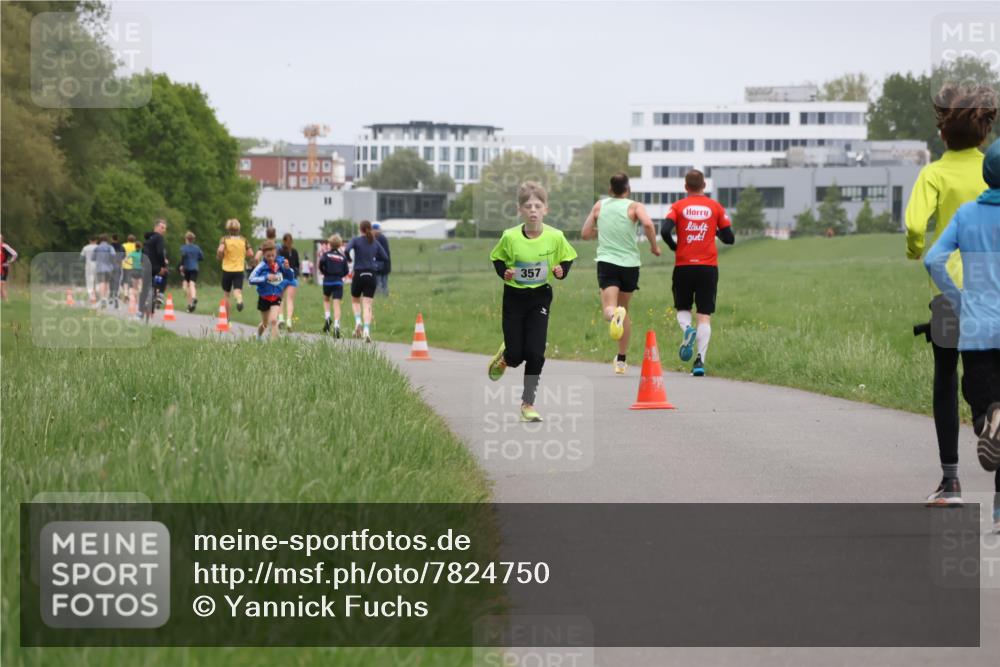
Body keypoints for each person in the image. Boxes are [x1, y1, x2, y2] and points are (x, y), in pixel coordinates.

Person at [905, 84, 998, 507]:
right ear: (984, 135)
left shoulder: (934, 174)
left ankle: (951, 482)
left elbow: (913, 226)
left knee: (945, 378)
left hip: (948, 296)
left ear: (943, 135)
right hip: (989, 294)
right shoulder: (990, 171)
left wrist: (914, 250)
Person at [925, 136, 1000, 533]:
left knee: (983, 404)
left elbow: (933, 258)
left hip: (977, 328)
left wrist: (957, 298)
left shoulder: (968, 215)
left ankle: (991, 415)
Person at [487, 181, 577, 422]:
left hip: (540, 297)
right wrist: (504, 272)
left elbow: (568, 258)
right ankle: (506, 356)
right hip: (514, 298)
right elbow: (497, 259)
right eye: (528, 206)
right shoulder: (510, 237)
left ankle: (528, 404)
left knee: (535, 353)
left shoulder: (555, 236)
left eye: (538, 205)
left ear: (546, 209)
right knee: (517, 355)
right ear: (520, 210)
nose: (533, 210)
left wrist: (561, 271)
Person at [581, 172, 661, 375]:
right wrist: (654, 246)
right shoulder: (635, 206)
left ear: (610, 190)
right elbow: (649, 224)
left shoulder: (600, 206)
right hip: (630, 265)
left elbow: (585, 233)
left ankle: (613, 314)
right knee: (624, 310)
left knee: (610, 309)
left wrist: (603, 230)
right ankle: (622, 359)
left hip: (608, 263)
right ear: (628, 189)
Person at [661, 169, 735, 377]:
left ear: (686, 187)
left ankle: (687, 330)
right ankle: (699, 361)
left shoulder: (678, 206)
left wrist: (674, 246)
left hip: (684, 266)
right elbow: (730, 238)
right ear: (704, 186)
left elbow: (665, 230)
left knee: (683, 308)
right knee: (704, 315)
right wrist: (715, 231)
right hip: (707, 268)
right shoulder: (715, 207)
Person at [344, 220, 389, 342]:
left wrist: (348, 259)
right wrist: (375, 265)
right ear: (369, 228)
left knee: (355, 301)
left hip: (359, 274)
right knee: (367, 304)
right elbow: (385, 257)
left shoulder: (356, 240)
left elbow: (346, 250)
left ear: (360, 229)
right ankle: (366, 330)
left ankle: (358, 321)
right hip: (371, 275)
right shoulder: (375, 242)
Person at [249, 240, 295, 340]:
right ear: (263, 255)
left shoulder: (280, 263)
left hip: (276, 296)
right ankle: (258, 336)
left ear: (276, 253)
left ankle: (275, 345)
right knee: (265, 324)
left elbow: (291, 277)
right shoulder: (261, 266)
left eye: (272, 255)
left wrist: (287, 269)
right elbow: (251, 279)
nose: (270, 258)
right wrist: (266, 277)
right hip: (264, 298)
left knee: (274, 321)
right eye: (268, 256)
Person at [217, 218, 252, 319]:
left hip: (227, 270)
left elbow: (220, 250)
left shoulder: (225, 239)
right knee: (237, 291)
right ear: (238, 229)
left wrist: (220, 256)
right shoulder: (243, 240)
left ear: (228, 229)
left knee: (226, 295)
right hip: (239, 270)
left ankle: (227, 318)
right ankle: (239, 300)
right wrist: (242, 255)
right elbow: (251, 253)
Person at [318, 234, 350, 336]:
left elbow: (321, 264)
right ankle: (336, 325)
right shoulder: (342, 257)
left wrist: (324, 272)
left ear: (329, 244)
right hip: (338, 282)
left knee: (326, 299)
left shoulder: (326, 255)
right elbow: (346, 271)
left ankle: (327, 317)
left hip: (327, 281)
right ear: (340, 244)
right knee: (337, 305)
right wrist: (340, 275)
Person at [141, 219, 169, 320]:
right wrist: (163, 265)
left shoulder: (148, 239)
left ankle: (141, 311)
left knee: (146, 287)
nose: (163, 230)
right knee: (165, 273)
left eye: (165, 228)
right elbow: (160, 252)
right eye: (162, 227)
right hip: (155, 267)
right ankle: (160, 294)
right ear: (156, 227)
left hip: (145, 265)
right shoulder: (159, 238)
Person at [279, 233, 300, 331]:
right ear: (292, 241)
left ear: (283, 241)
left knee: (280, 299)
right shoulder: (295, 251)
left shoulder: (280, 251)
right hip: (292, 278)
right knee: (290, 300)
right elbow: (297, 265)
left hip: (282, 278)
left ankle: (280, 319)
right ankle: (289, 321)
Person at [180, 231, 204, 313]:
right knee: (192, 284)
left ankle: (190, 303)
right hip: (195, 268)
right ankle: (193, 300)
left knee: (185, 286)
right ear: (193, 239)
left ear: (186, 239)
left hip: (187, 268)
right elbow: (201, 257)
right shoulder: (197, 248)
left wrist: (181, 266)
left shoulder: (183, 248)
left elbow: (183, 257)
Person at [93, 234, 116, 308]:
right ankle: (105, 298)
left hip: (99, 268)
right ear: (107, 239)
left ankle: (102, 299)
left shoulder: (97, 248)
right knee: (107, 283)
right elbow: (113, 255)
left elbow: (93, 258)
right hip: (109, 268)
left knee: (101, 283)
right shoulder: (110, 247)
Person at [373, 222, 391, 296]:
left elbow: (380, 252)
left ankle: (380, 295)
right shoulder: (382, 238)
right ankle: (384, 295)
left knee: (379, 282)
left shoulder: (379, 239)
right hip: (385, 264)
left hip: (380, 265)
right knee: (384, 282)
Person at [80, 236, 98, 303]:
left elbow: (81, 258)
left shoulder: (85, 247)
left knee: (89, 281)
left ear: (89, 240)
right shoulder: (98, 247)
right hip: (98, 266)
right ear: (96, 240)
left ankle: (91, 297)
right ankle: (97, 296)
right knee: (97, 281)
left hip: (89, 266)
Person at [1, 235, 18, 302]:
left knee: (1, 285)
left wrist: (9, 262)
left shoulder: (5, 246)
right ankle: (5, 302)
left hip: (3, 268)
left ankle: (6, 301)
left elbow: (15, 254)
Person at [110, 234, 125, 307]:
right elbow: (124, 256)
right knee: (117, 282)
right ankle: (115, 296)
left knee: (110, 281)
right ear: (117, 239)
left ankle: (110, 295)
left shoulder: (110, 246)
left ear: (112, 238)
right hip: (118, 265)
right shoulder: (121, 247)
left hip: (110, 266)